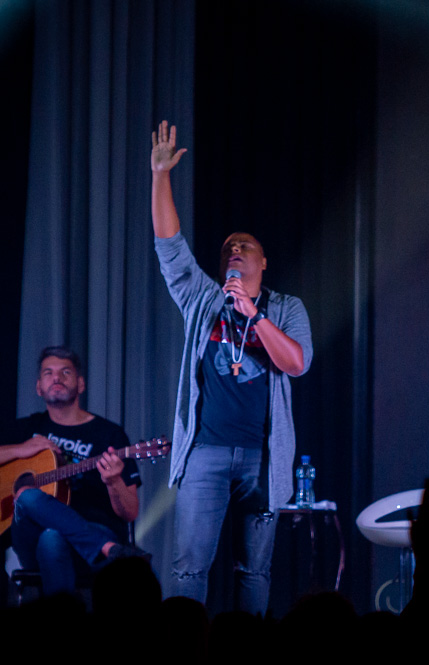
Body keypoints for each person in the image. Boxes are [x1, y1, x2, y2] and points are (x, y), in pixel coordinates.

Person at [150, 119, 313, 614]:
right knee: (188, 568)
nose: (235, 250)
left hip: (262, 458)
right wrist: (160, 176)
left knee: (254, 571)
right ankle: (186, 651)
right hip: (207, 453)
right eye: (228, 249)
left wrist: (254, 316)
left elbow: (296, 363)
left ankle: (247, 657)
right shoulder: (203, 300)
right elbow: (170, 248)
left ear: (263, 263)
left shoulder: (286, 308)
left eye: (245, 247)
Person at [0, 347, 145, 597]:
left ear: (81, 384)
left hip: (94, 528)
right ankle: (106, 549)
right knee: (28, 496)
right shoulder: (28, 428)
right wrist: (20, 449)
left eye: (66, 372)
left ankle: (59, 618)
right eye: (48, 373)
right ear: (38, 387)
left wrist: (114, 481)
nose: (57, 378)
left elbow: (130, 512)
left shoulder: (109, 435)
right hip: (32, 539)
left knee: (51, 536)